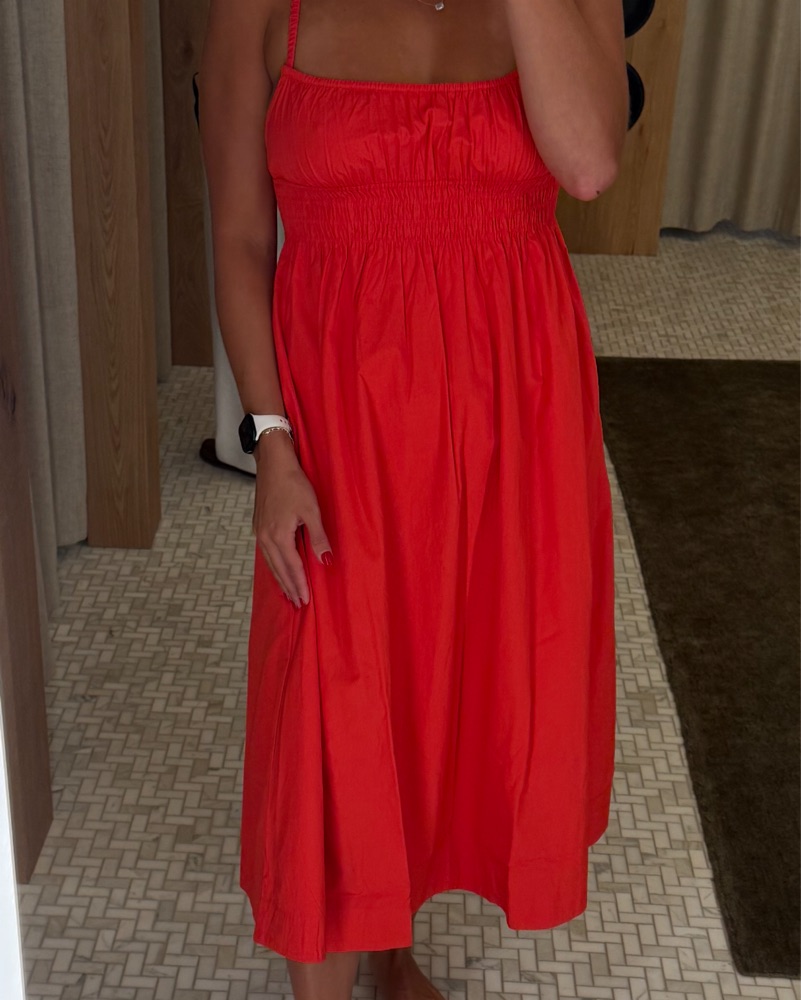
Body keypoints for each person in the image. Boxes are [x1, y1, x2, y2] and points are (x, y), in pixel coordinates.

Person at [198, 0, 627, 997]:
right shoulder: (260, 10)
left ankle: (391, 939)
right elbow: (239, 239)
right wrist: (271, 443)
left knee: (457, 693)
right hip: (339, 432)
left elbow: (587, 165)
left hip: (516, 421)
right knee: (329, 702)